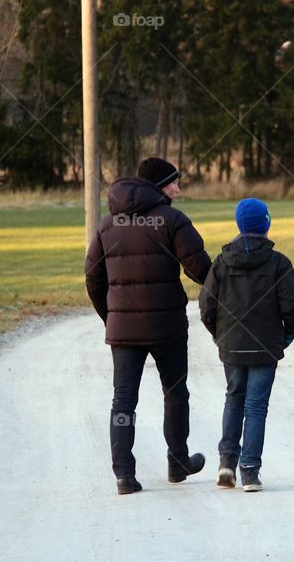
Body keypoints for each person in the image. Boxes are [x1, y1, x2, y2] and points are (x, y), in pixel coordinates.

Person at [85, 157, 211, 495]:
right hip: (166, 324)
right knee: (175, 393)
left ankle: (124, 475)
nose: (178, 188)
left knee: (123, 401)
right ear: (158, 186)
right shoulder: (172, 219)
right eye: (173, 182)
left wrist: (111, 317)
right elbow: (200, 270)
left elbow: (92, 277)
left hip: (124, 329)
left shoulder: (107, 224)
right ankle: (178, 462)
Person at [198, 198, 294, 492]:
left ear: (238, 226)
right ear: (266, 224)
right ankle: (250, 472)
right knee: (255, 406)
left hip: (231, 345)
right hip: (265, 347)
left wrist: (219, 334)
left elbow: (206, 305)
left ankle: (227, 463)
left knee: (234, 398)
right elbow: (290, 306)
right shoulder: (279, 263)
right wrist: (288, 334)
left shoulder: (221, 262)